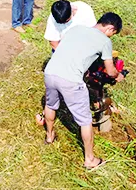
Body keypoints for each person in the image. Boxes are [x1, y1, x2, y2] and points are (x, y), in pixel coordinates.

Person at [42, 13, 124, 170]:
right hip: (71, 80)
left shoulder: (76, 28)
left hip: (50, 72)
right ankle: (90, 159)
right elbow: (110, 70)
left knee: (51, 105)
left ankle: (49, 136)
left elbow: (70, 50)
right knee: (85, 120)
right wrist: (119, 75)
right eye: (113, 34)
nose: (111, 37)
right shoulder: (105, 41)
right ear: (110, 28)